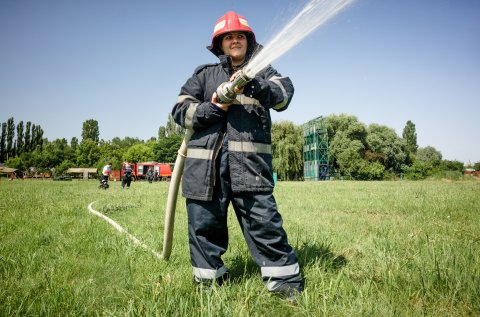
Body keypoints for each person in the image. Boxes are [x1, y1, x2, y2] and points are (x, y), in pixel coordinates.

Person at [171, 11, 304, 297]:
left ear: (248, 41)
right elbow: (180, 110)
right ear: (219, 43)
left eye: (239, 36)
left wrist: (254, 83)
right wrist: (213, 107)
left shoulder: (264, 71)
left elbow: (284, 96)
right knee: (204, 228)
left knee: (265, 225)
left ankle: (284, 284)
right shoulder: (204, 75)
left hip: (251, 168)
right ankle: (210, 283)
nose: (234, 40)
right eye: (228, 36)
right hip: (205, 171)